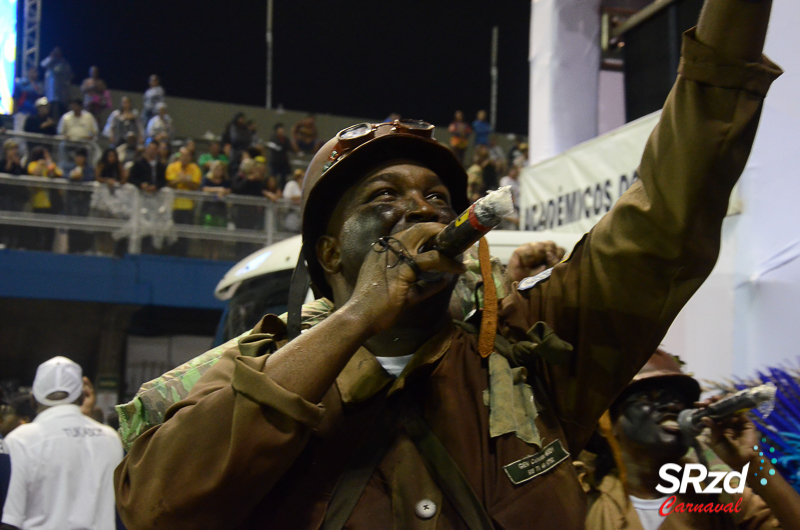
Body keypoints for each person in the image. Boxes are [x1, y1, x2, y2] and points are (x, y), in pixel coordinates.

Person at [114, 1, 782, 527]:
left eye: (437, 196)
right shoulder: (244, 374)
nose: (423, 209)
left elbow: (672, 207)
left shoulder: (531, 355)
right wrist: (355, 323)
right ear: (325, 251)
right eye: (384, 197)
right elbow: (160, 506)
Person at [586, 350, 800, 530]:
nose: (673, 406)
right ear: (606, 425)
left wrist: (753, 461)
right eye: (647, 397)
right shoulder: (582, 496)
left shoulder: (718, 493)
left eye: (678, 399)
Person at [1, 357, 123, 530]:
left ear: (33, 400)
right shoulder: (111, 439)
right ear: (82, 397)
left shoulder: (20, 440)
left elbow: (10, 520)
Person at [166, 147, 202, 255]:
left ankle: (183, 255)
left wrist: (181, 180)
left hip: (188, 207)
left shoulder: (195, 168)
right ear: (179, 156)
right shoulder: (172, 167)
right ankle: (172, 254)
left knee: (185, 235)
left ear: (190, 157)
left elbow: (195, 185)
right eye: (183, 155)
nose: (185, 158)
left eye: (187, 155)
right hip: (174, 206)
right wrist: (185, 180)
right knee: (173, 233)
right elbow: (170, 183)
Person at [26, 147, 64, 252]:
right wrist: (40, 164)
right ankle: (36, 250)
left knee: (49, 232)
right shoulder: (33, 164)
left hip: (51, 203)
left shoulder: (51, 165)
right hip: (39, 202)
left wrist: (49, 163)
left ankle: (48, 251)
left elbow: (58, 174)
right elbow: (34, 173)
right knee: (37, 230)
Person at [0, 140, 28, 249]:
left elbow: (24, 175)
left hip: (17, 196)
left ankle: (15, 242)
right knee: (6, 219)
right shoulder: (2, 162)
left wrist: (19, 165)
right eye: (12, 149)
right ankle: (4, 241)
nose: (14, 151)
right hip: (5, 195)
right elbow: (4, 172)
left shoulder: (19, 163)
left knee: (16, 220)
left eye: (15, 149)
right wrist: (9, 163)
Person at [200, 160, 231, 259]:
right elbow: (204, 189)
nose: (219, 172)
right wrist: (218, 190)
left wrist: (224, 192)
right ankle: (206, 257)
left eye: (220, 170)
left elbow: (229, 190)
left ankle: (215, 257)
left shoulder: (226, 181)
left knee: (218, 237)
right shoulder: (207, 179)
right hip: (208, 210)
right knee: (208, 236)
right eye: (216, 169)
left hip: (220, 211)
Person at [39, 47, 72, 119]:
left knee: (60, 114)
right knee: (51, 113)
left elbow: (68, 76)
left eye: (58, 52)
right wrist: (51, 57)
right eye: (55, 52)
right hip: (50, 94)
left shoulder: (63, 62)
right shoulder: (50, 61)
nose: (57, 54)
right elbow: (43, 64)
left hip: (61, 95)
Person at [267, 123, 293, 188]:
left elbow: (289, 148)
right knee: (273, 176)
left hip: (283, 161)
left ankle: (282, 189)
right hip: (275, 161)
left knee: (283, 178)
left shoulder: (286, 139)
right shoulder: (273, 139)